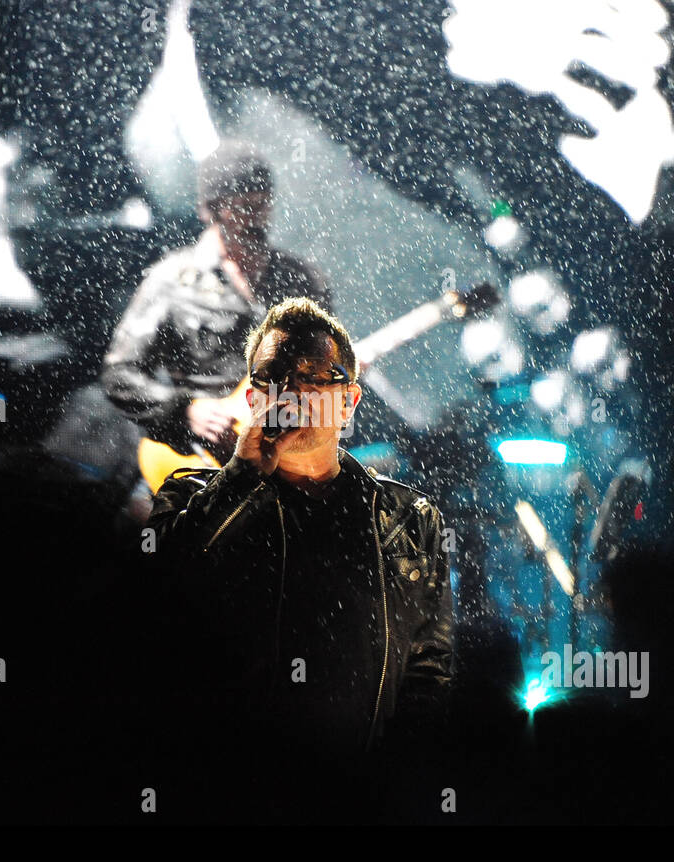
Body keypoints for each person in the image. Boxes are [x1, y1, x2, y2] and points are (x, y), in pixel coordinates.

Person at [144, 298, 454, 763]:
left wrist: (395, 779)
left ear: (348, 402)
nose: (291, 392)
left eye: (313, 375)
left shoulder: (410, 519)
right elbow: (150, 595)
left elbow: (430, 668)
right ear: (253, 400)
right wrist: (240, 476)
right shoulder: (188, 496)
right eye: (273, 378)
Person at [102, 142, 331, 467]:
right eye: (242, 207)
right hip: (197, 463)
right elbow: (119, 375)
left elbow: (325, 379)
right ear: (210, 210)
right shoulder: (172, 280)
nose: (255, 219)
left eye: (262, 205)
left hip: (283, 462)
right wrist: (184, 412)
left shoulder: (302, 281)